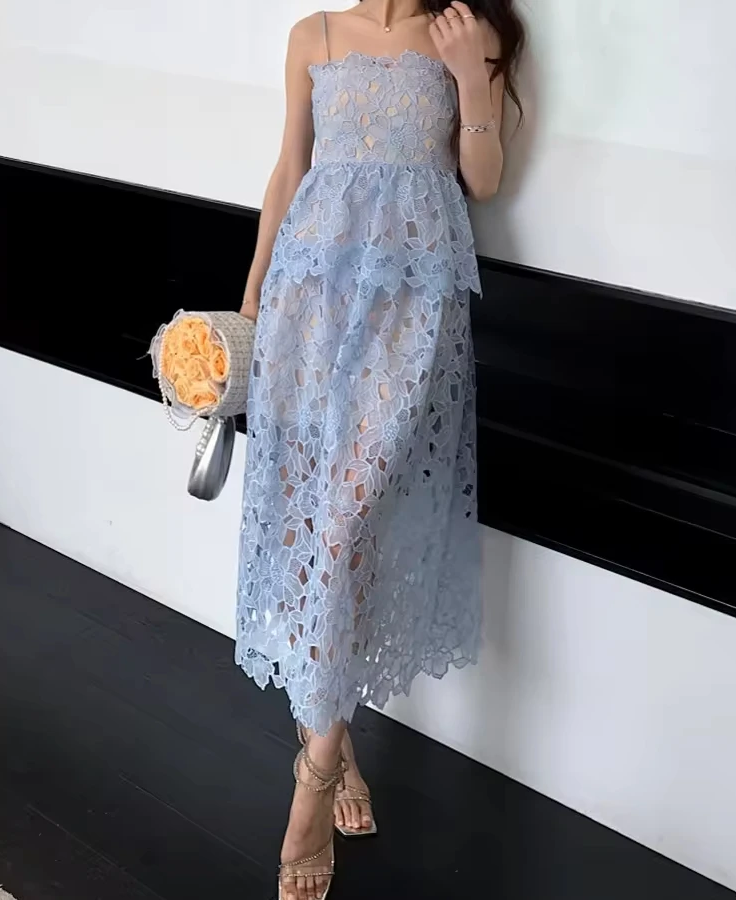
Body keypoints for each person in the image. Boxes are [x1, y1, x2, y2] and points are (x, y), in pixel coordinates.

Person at [235, 1, 524, 897]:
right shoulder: (314, 35)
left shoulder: (467, 31)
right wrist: (252, 301)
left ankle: (314, 777)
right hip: (309, 300)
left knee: (349, 519)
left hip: (410, 309)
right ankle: (335, 735)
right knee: (320, 524)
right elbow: (290, 170)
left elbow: (483, 181)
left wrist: (470, 74)